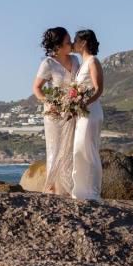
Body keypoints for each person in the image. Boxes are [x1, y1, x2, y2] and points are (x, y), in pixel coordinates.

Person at [32, 27, 79, 195]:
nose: (72, 44)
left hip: (72, 111)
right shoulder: (48, 64)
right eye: (68, 42)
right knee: (55, 149)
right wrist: (48, 102)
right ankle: (51, 187)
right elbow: (37, 88)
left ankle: (67, 188)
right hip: (54, 114)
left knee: (70, 150)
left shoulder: (75, 60)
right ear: (58, 46)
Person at [70, 29, 104, 201]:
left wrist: (84, 103)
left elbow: (98, 89)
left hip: (91, 112)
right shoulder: (82, 64)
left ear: (83, 43)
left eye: (75, 40)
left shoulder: (93, 61)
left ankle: (92, 191)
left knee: (88, 149)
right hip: (81, 113)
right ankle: (80, 191)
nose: (73, 44)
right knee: (78, 149)